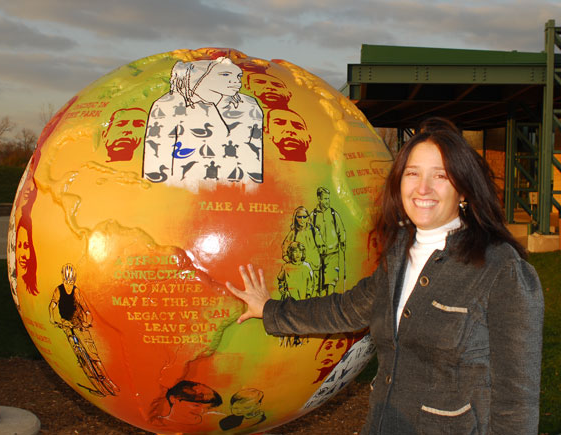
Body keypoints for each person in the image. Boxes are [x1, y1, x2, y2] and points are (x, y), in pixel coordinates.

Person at [225, 125, 544, 434]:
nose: (423, 188)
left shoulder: (501, 269)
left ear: (463, 190)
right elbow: (346, 309)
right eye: (413, 173)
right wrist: (269, 310)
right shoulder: (398, 255)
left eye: (441, 175)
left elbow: (516, 400)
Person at [142, 56, 263, 188]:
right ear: (201, 76)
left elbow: (255, 154)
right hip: (186, 192)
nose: (236, 81)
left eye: (238, 76)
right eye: (225, 75)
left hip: (239, 192)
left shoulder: (248, 105)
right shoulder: (169, 105)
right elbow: (156, 156)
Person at [49, 264, 118, 396]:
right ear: (63, 279)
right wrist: (52, 318)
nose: (68, 284)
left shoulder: (76, 291)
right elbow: (52, 304)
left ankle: (108, 381)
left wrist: (87, 321)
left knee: (93, 354)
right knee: (73, 343)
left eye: (71, 281)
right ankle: (84, 365)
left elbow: (85, 308)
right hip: (66, 322)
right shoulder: (58, 290)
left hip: (79, 322)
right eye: (66, 281)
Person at [281, 206, 325, 294]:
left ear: (308, 217)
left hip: (314, 266)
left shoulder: (314, 231)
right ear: (295, 218)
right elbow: (285, 248)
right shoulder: (294, 232)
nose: (302, 219)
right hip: (300, 269)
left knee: (315, 292)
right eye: (299, 217)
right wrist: (290, 261)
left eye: (304, 216)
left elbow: (322, 247)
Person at [311, 187, 346, 296]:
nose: (327, 201)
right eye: (325, 199)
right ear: (319, 199)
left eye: (328, 199)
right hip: (319, 254)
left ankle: (330, 303)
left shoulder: (333, 214)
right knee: (320, 283)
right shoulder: (313, 216)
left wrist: (343, 241)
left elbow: (341, 230)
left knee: (331, 281)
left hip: (333, 253)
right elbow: (310, 234)